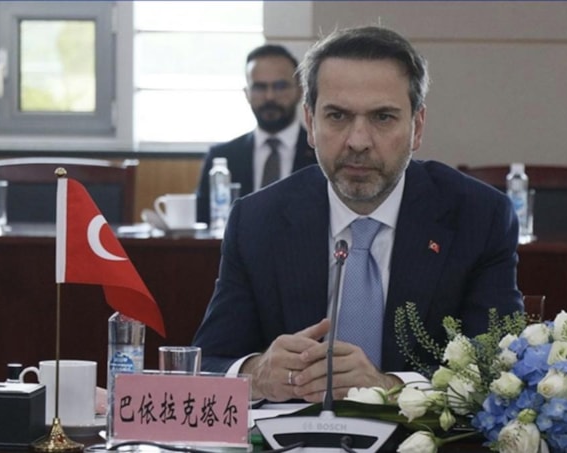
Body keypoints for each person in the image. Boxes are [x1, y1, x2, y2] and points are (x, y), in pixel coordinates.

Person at [192, 26, 523, 403]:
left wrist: (389, 387)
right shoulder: (257, 220)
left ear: (416, 127)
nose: (358, 141)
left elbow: (499, 371)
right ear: (310, 124)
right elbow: (209, 362)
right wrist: (256, 373)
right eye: (337, 116)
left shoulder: (478, 217)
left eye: (382, 117)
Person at [195, 44, 318, 224]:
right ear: (247, 93)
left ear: (300, 91)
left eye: (280, 86)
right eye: (260, 87)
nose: (270, 97)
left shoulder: (320, 154)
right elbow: (202, 221)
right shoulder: (222, 158)